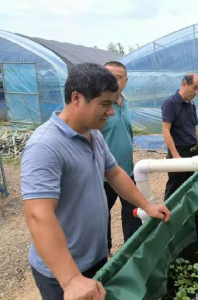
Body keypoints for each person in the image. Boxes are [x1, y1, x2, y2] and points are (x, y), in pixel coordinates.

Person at [21, 63, 170, 300]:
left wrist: (147, 205)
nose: (111, 111)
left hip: (96, 257)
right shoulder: (45, 146)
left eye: (113, 103)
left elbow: (115, 174)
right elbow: (38, 215)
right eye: (105, 103)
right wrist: (70, 279)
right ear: (76, 98)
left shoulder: (94, 134)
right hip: (64, 270)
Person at [100, 61, 140, 256]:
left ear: (126, 81)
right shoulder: (98, 105)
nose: (112, 81)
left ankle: (131, 251)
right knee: (101, 216)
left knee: (133, 213)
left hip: (127, 171)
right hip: (102, 175)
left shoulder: (126, 102)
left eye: (117, 77)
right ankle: (103, 252)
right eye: (108, 75)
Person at [161, 73, 198, 200]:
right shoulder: (170, 103)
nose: (196, 92)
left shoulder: (191, 104)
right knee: (175, 188)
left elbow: (195, 128)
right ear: (184, 84)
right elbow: (166, 131)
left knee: (190, 184)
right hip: (179, 152)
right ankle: (169, 216)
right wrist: (175, 155)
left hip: (192, 151)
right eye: (194, 88)